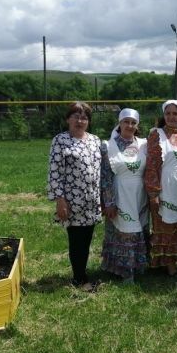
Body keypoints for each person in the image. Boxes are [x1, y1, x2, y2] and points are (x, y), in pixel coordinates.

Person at [47, 102, 106, 291]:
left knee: (87, 239)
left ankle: (81, 273)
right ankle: (80, 280)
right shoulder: (60, 141)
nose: (80, 121)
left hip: (91, 200)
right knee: (76, 239)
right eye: (76, 117)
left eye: (84, 118)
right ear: (68, 119)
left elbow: (101, 171)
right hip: (72, 201)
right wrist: (60, 200)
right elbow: (54, 172)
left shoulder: (95, 141)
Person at [144, 100, 177, 275]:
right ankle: (169, 265)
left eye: (175, 113)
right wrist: (154, 193)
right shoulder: (156, 134)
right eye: (168, 113)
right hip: (165, 184)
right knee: (165, 224)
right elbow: (151, 165)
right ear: (163, 115)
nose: (172, 117)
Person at [101, 108, 149, 284]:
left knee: (139, 228)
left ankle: (138, 266)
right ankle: (124, 270)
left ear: (137, 125)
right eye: (126, 122)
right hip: (120, 193)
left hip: (140, 194)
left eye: (133, 123)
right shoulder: (108, 146)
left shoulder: (144, 144)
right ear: (119, 123)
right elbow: (105, 177)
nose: (130, 125)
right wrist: (109, 202)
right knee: (125, 230)